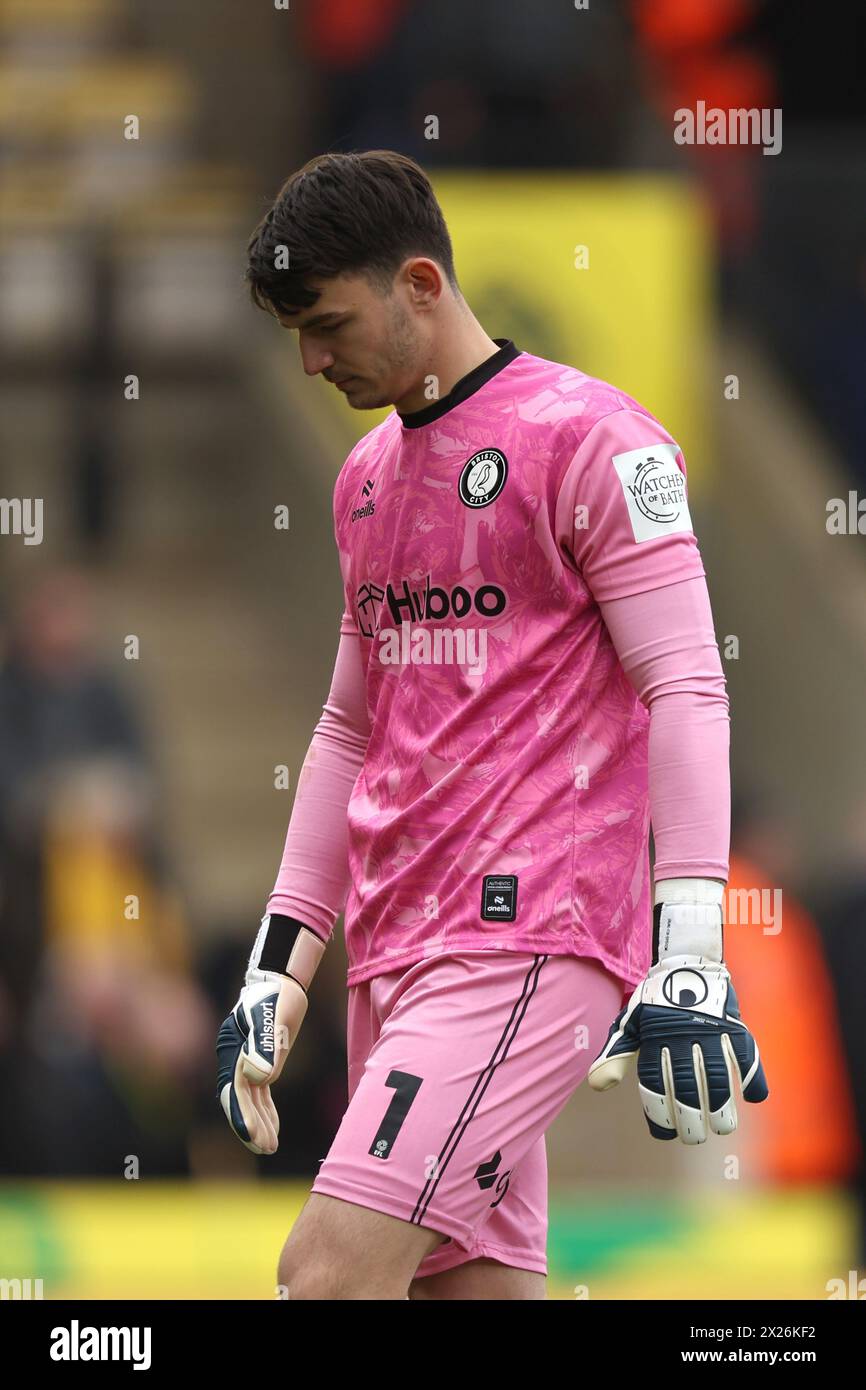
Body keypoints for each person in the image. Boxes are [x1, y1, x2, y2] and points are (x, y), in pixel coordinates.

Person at [216, 149, 768, 1301]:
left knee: (322, 1278)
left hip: (527, 940)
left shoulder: (596, 441)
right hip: (398, 953)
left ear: (420, 282)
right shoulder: (362, 476)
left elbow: (685, 686)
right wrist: (283, 965)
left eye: (327, 323)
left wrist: (690, 950)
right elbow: (344, 729)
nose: (313, 361)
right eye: (295, 336)